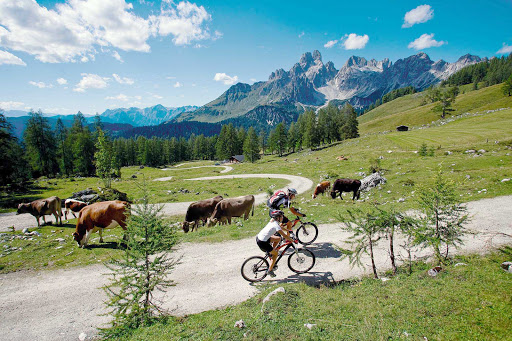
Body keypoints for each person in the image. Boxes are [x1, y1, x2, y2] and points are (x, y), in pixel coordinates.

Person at [256, 210, 296, 277]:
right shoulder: (275, 225)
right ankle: (270, 270)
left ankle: (272, 251)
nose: (283, 218)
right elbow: (285, 236)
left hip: (260, 237)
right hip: (262, 242)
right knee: (276, 254)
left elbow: (280, 228)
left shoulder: (273, 221)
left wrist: (288, 230)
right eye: (281, 216)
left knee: (278, 238)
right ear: (278, 217)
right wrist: (292, 240)